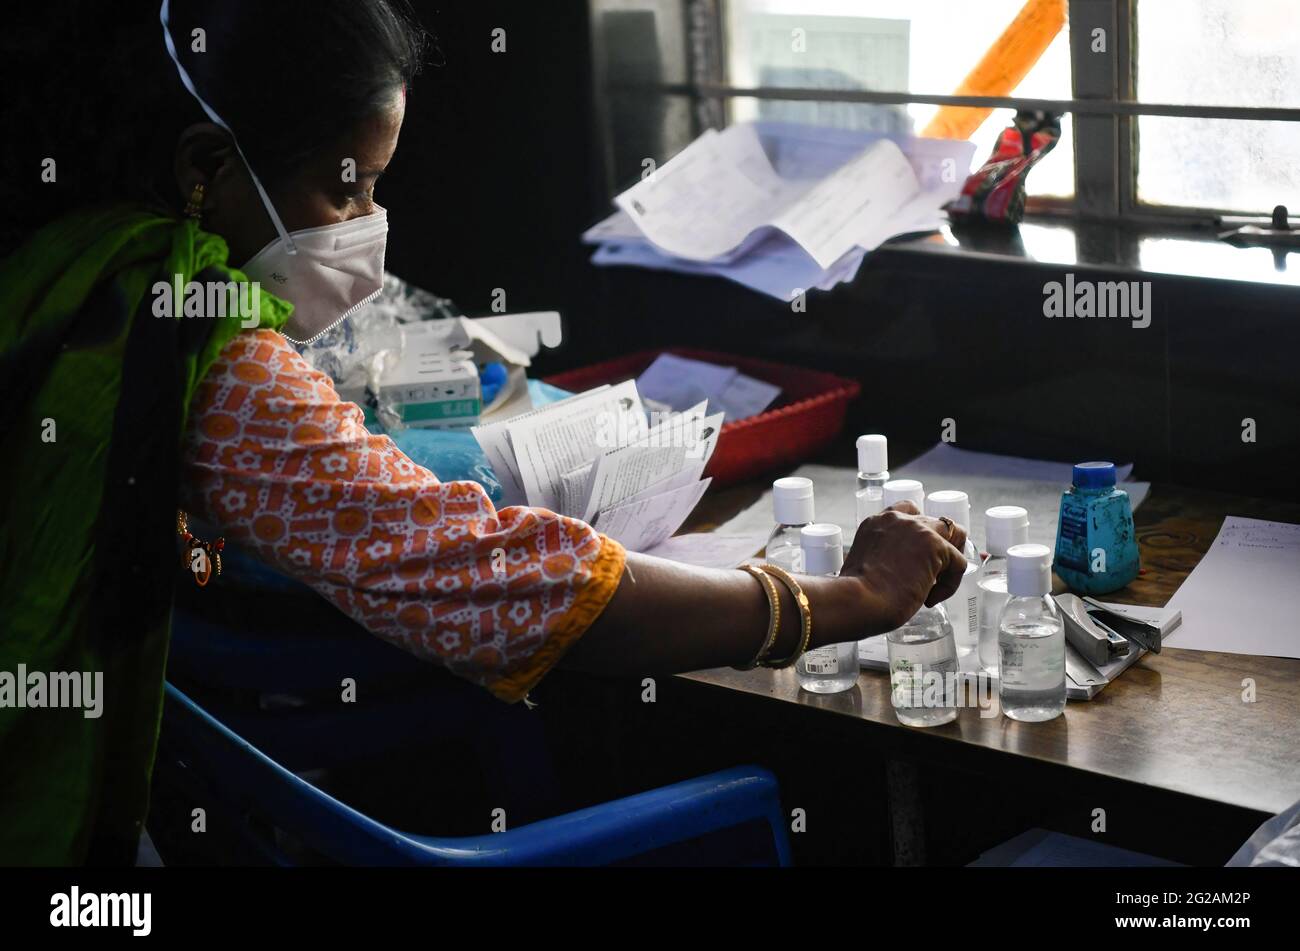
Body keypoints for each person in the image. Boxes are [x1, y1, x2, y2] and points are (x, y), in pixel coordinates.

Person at [0, 0, 968, 865]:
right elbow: (511, 584)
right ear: (208, 166)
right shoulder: (206, 358)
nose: (367, 224)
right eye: (348, 190)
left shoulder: (60, 263)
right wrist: (848, 597)